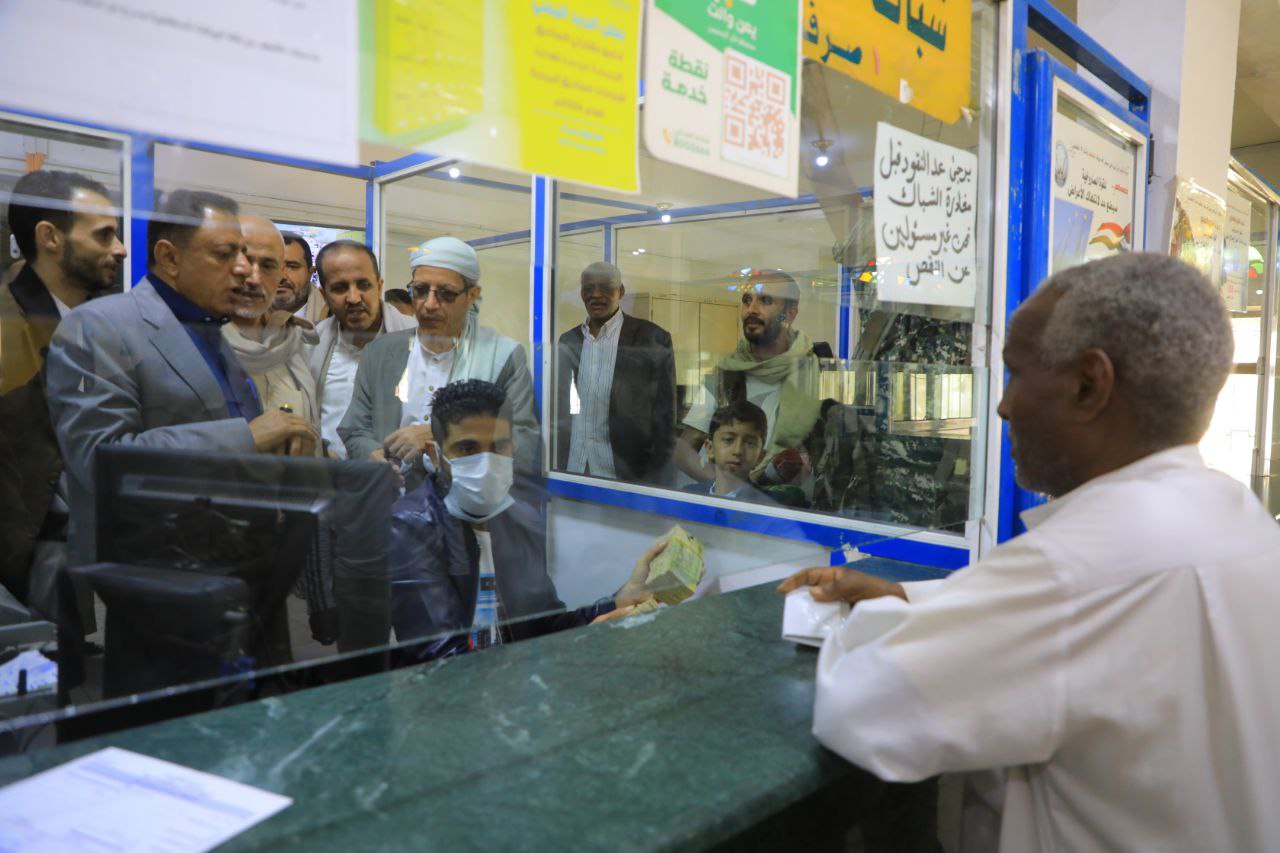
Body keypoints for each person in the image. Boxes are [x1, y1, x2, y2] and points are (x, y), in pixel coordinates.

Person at [779, 253, 1280, 851]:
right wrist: (910, 597)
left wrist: (873, 621)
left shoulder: (1077, 565)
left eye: (1016, 374)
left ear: (1089, 385)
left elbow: (863, 710)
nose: (1003, 406)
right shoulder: (1240, 520)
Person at [45, 189, 319, 565]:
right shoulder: (97, 327)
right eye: (225, 254)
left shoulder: (206, 327)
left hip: (238, 558)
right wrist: (246, 437)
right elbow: (100, 460)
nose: (243, 269)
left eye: (243, 254)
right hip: (155, 569)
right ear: (170, 257)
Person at [388, 379, 658, 659]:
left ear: (512, 449)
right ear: (435, 455)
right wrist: (579, 646)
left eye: (498, 447)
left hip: (520, 678)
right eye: (467, 449)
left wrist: (616, 603)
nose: (486, 464)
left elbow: (546, 626)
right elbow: (443, 660)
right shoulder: (410, 527)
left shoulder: (520, 521)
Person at [0, 169, 126, 616]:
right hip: (21, 567)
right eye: (104, 234)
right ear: (50, 237)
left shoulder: (93, 327)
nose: (121, 248)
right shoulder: (7, 330)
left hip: (69, 553)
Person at [338, 236, 539, 484]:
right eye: (420, 291)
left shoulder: (502, 356)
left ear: (472, 295)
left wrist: (440, 436)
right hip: (391, 496)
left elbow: (524, 442)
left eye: (446, 294)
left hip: (464, 498)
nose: (429, 304)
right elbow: (354, 429)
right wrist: (373, 456)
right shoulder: (379, 353)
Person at [676, 269, 821, 488]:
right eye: (747, 300)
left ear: (790, 314)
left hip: (792, 503)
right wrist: (726, 486)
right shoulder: (726, 373)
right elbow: (685, 448)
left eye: (765, 300)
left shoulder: (815, 372)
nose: (751, 309)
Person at [554, 261, 675, 484]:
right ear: (581, 294)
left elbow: (665, 416)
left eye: (605, 288)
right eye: (588, 289)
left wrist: (658, 482)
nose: (595, 295)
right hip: (574, 467)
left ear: (621, 291)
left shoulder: (651, 338)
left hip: (626, 472)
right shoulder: (568, 341)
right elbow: (561, 404)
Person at [307, 239, 416, 458]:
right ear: (324, 294)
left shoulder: (417, 341)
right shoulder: (309, 345)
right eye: (340, 288)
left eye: (363, 285)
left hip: (397, 474)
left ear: (379, 285)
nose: (354, 298)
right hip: (328, 475)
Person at [221, 215, 320, 441]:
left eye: (267, 266)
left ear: (280, 271)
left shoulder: (290, 339)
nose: (254, 279)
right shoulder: (197, 342)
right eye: (244, 262)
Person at [681, 401, 776, 504]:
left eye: (749, 443)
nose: (737, 451)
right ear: (710, 448)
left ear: (760, 457)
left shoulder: (769, 506)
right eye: (728, 440)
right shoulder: (689, 496)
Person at [276, 230, 328, 324]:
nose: (281, 277)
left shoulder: (334, 320)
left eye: (292, 266)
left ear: (310, 273)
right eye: (271, 266)